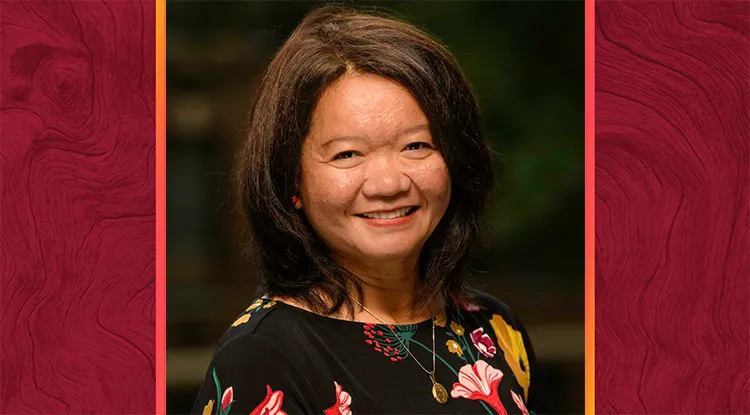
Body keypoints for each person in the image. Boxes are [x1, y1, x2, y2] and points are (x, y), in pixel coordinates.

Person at [192, 5, 536, 415]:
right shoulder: (263, 358)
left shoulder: (494, 327)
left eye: (416, 146)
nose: (389, 184)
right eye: (347, 154)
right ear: (291, 183)